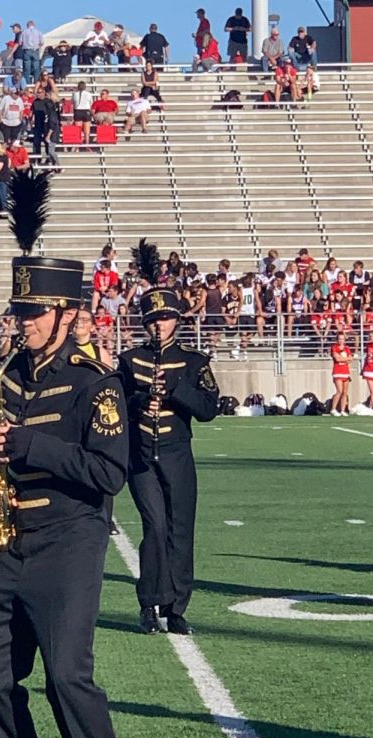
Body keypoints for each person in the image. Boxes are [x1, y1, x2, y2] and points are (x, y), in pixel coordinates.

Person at [0, 174, 133, 738]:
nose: (23, 323)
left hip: (69, 540)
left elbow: (108, 473)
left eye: (33, 313)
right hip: (10, 540)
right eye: (19, 313)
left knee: (67, 675)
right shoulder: (4, 373)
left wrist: (31, 446)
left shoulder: (98, 384)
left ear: (67, 316)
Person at [118, 247, 219, 635]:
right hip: (141, 456)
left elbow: (209, 408)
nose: (159, 324)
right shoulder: (130, 361)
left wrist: (175, 388)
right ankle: (149, 603)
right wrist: (142, 400)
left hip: (178, 454)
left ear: (176, 320)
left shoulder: (194, 362)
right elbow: (117, 405)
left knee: (180, 530)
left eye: (165, 317)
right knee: (154, 528)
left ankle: (177, 608)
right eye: (154, 319)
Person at [330, 332, 352, 416]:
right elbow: (337, 359)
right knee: (339, 391)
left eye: (342, 339)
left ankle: (343, 410)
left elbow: (350, 359)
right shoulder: (334, 347)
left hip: (346, 371)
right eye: (339, 339)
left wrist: (343, 358)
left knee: (345, 392)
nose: (341, 341)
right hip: (337, 371)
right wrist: (345, 359)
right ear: (337, 340)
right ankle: (333, 409)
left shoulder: (347, 348)